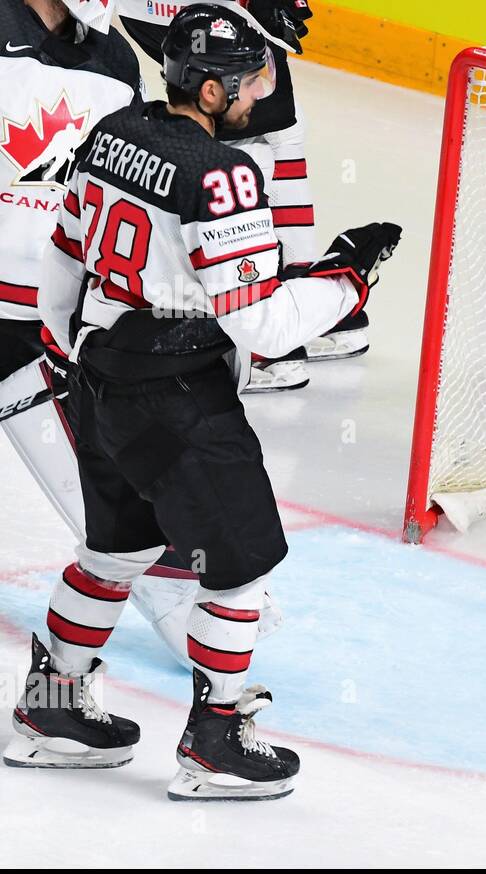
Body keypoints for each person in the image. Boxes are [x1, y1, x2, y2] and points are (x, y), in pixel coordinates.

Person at [5, 3, 402, 801]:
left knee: (113, 552)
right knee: (239, 568)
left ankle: (49, 713)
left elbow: (62, 255)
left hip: (104, 375)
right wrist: (348, 280)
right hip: (180, 395)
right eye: (249, 79)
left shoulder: (111, 132)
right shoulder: (221, 174)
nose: (261, 91)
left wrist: (69, 346)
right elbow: (262, 326)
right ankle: (218, 739)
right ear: (213, 91)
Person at [0, 0, 284, 673]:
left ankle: (63, 704)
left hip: (46, 326)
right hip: (41, 318)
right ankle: (203, 728)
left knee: (122, 519)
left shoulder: (115, 58)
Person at [118, 0, 371, 394]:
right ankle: (301, 305)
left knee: (232, 135)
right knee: (265, 131)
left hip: (188, 15)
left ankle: (273, 338)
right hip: (189, 14)